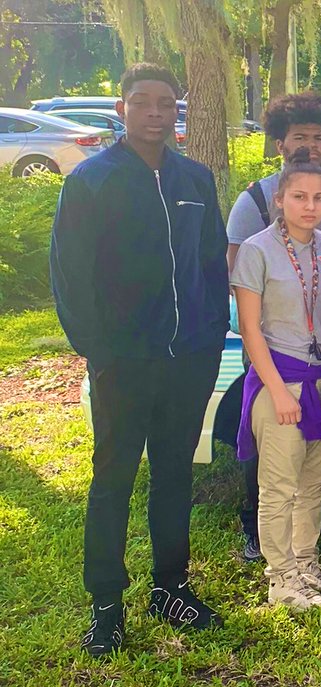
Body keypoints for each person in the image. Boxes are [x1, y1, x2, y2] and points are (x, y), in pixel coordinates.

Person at [50, 63, 229, 656]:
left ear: (177, 109)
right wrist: (98, 351)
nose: (155, 112)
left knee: (175, 475)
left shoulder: (196, 179)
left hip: (188, 359)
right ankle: (106, 606)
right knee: (113, 481)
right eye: (143, 101)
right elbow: (70, 275)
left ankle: (171, 588)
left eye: (166, 103)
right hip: (122, 362)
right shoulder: (92, 181)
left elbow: (211, 264)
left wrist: (209, 337)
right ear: (122, 108)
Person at [226, 91, 321, 562]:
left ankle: (306, 557)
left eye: (320, 137)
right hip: (277, 362)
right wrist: (276, 383)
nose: (310, 146)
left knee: (315, 470)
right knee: (274, 466)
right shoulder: (255, 206)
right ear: (280, 143)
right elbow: (244, 301)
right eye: (300, 136)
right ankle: (271, 558)